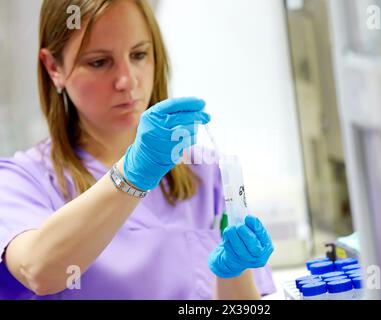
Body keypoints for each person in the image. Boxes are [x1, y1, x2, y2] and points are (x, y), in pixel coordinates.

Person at [0, 0, 276, 299]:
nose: (127, 81)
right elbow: (38, 271)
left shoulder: (204, 171)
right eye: (99, 62)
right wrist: (135, 173)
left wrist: (232, 271)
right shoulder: (21, 182)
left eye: (139, 54)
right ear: (54, 67)